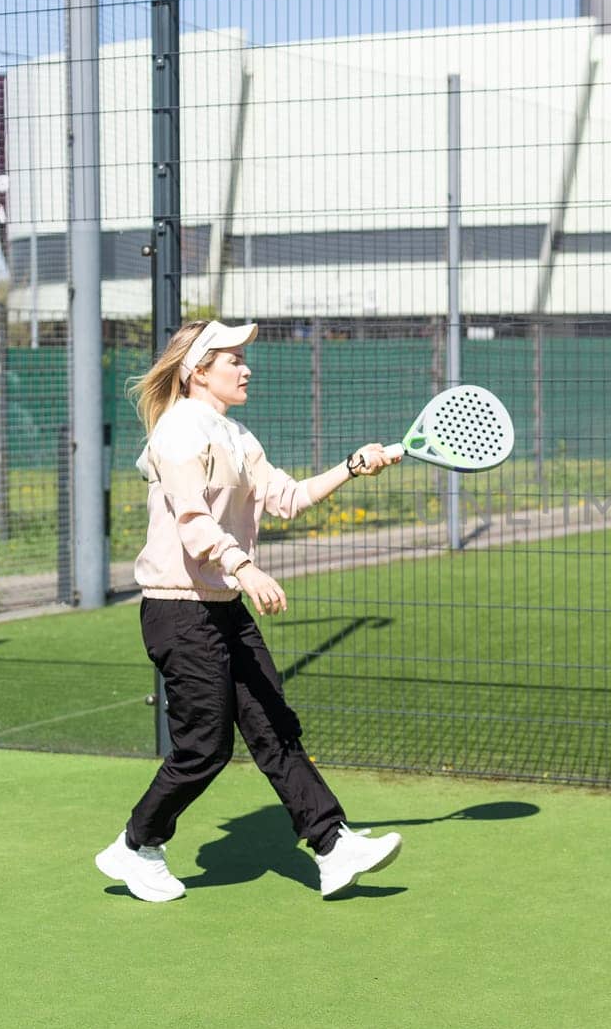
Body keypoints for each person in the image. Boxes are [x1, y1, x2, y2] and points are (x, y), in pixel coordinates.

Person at [95, 318, 402, 902]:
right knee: (204, 748)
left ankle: (333, 847)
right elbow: (193, 521)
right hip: (178, 610)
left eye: (242, 357)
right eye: (232, 358)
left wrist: (354, 466)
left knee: (274, 727)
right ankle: (136, 846)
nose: (245, 367)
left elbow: (286, 497)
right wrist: (245, 567)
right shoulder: (179, 432)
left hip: (222, 606)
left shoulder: (237, 436)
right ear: (196, 371)